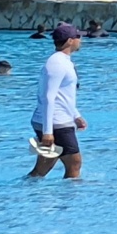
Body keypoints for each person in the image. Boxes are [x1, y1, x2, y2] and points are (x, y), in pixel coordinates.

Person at [29, 22, 86, 180]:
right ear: (70, 41)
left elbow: (63, 94)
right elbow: (48, 96)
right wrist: (48, 131)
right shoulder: (57, 63)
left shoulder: (62, 61)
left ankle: (24, 191)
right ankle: (70, 201)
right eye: (78, 37)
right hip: (56, 123)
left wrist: (75, 115)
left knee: (44, 166)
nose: (80, 40)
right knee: (74, 163)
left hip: (57, 120)